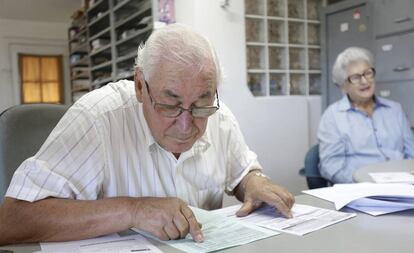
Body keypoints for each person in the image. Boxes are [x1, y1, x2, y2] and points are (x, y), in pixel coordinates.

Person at [0, 24, 294, 245]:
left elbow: (243, 172)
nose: (185, 124)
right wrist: (133, 211)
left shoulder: (218, 115)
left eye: (200, 104)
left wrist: (254, 183)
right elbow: (12, 220)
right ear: (140, 85)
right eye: (170, 105)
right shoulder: (98, 118)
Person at [318, 47, 414, 184]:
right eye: (355, 77)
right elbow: (331, 166)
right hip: (360, 189)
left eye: (367, 73)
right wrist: (364, 185)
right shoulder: (332, 116)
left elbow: (411, 153)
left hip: (403, 186)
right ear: (343, 85)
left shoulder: (395, 109)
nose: (364, 81)